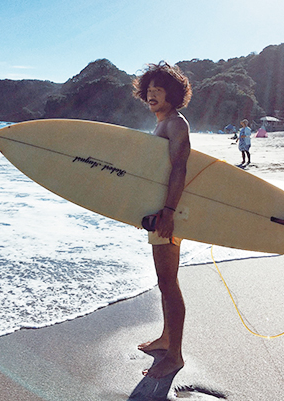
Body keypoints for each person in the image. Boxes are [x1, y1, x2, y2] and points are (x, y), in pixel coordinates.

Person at [132, 62, 192, 379]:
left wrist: (169, 212)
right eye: (150, 90)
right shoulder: (163, 123)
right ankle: (167, 339)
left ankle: (176, 356)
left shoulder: (176, 124)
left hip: (170, 214)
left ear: (174, 94)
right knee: (163, 282)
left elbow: (179, 168)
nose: (153, 94)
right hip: (161, 212)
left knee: (169, 284)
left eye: (160, 89)